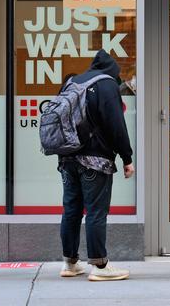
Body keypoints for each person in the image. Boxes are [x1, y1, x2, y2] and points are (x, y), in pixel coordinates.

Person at [58, 49, 135, 281]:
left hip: (67, 158)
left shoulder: (72, 82)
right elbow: (116, 124)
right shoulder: (106, 85)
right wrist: (127, 157)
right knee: (96, 212)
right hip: (95, 160)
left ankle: (70, 263)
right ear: (112, 71)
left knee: (71, 210)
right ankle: (100, 266)